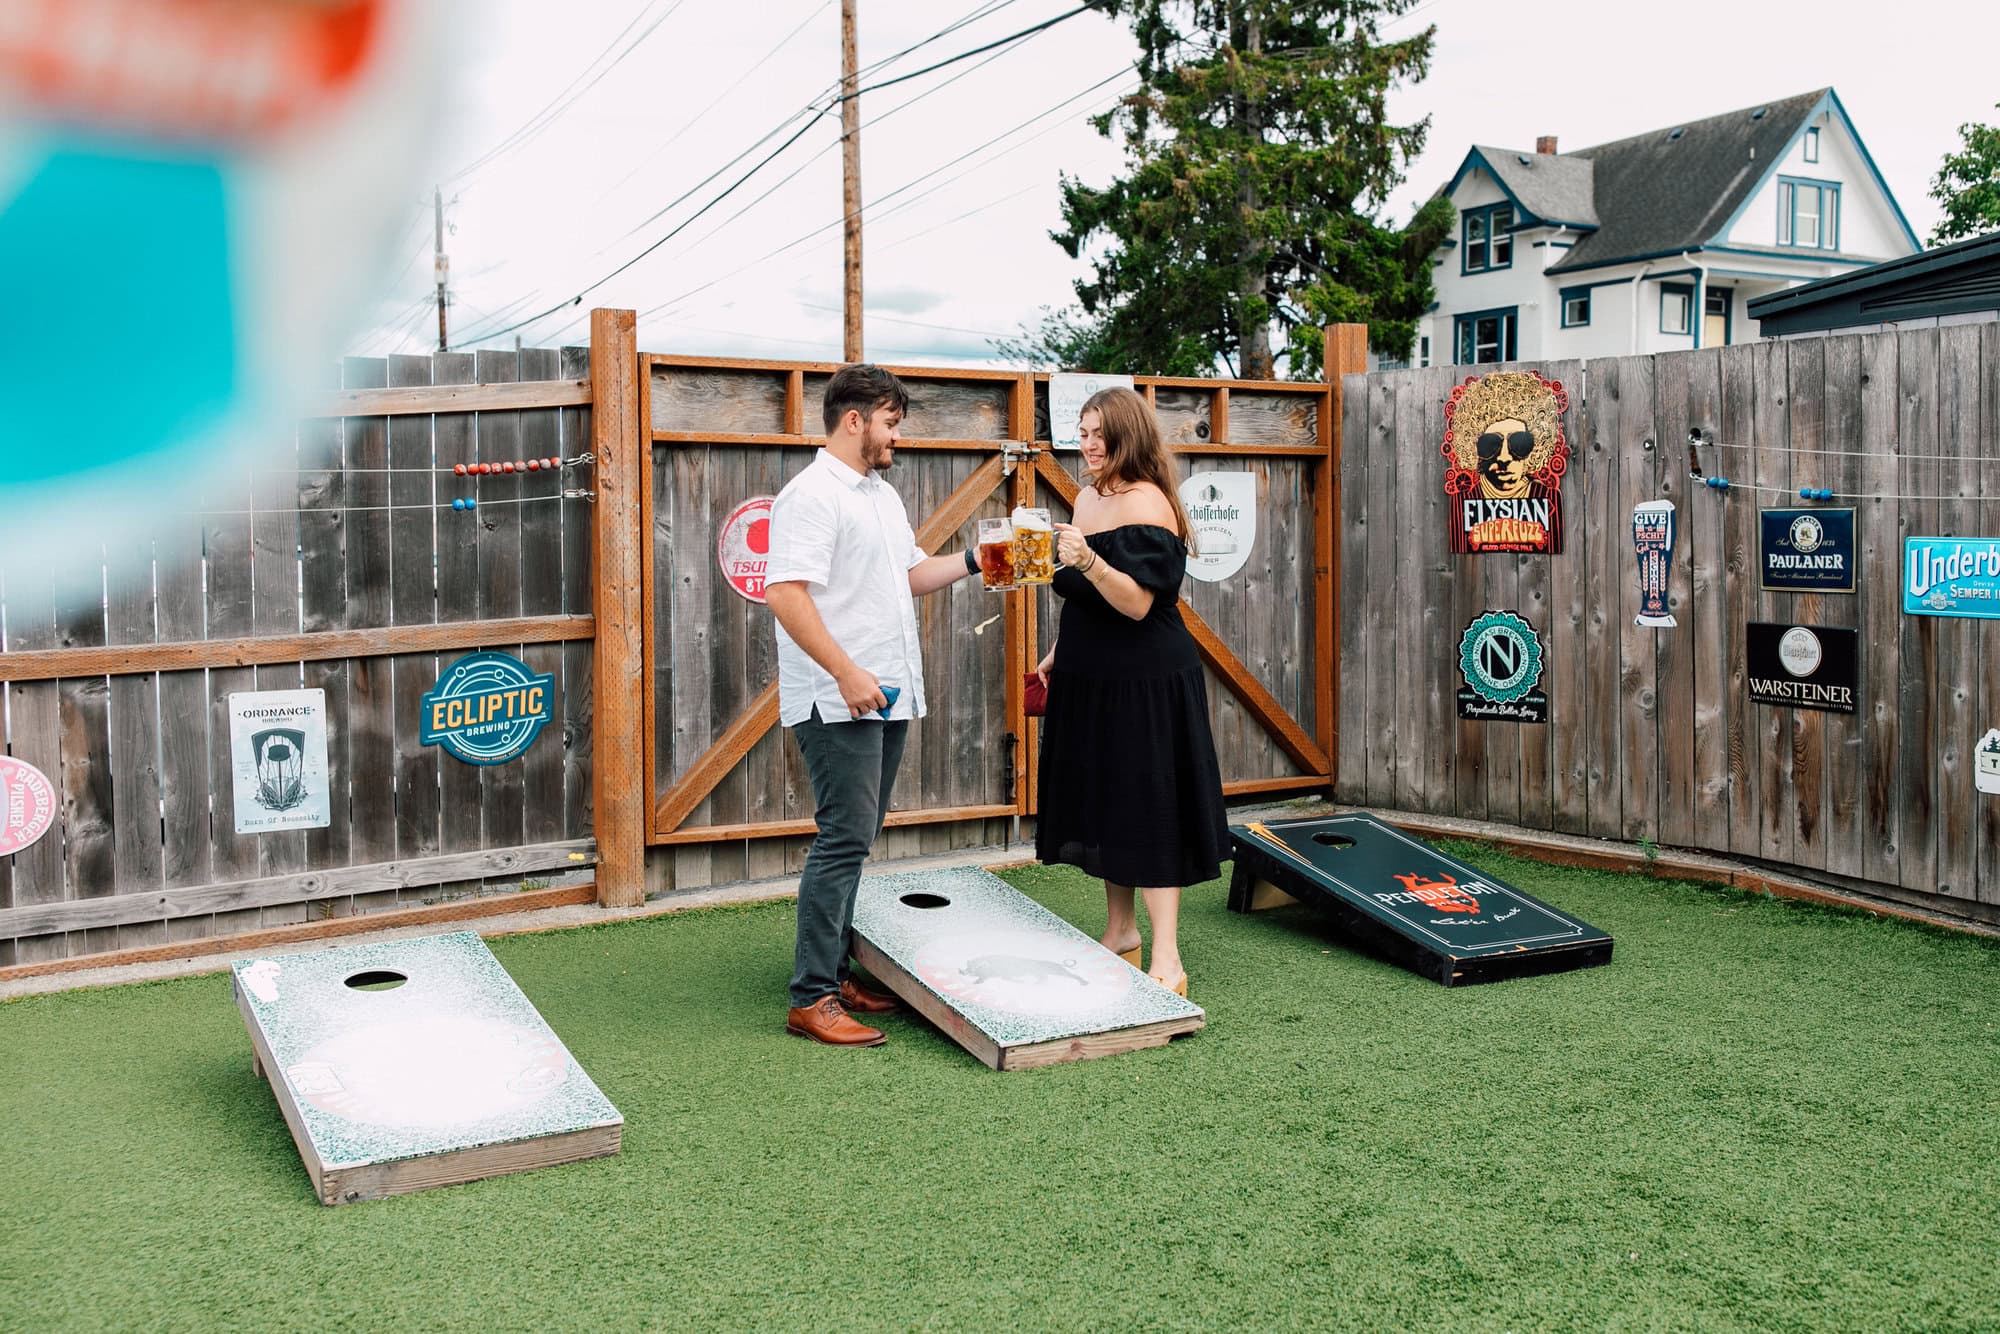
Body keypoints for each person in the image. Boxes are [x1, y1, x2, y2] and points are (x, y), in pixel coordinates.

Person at [763, 364, 981, 1047]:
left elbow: (910, 575)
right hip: (839, 699)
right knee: (842, 840)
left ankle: (838, 972)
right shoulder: (811, 496)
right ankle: (812, 998)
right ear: (853, 420)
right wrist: (845, 671)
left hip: (887, 694)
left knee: (857, 840)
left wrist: (980, 559)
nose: (897, 436)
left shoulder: (879, 494)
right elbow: (785, 593)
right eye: (890, 423)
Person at [1034, 386, 1228, 997]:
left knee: (1149, 807)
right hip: (1090, 673)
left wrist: (1085, 559)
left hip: (1145, 678)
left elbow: (1138, 603)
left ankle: (1167, 957)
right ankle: (1120, 932)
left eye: (1099, 434)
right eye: (1082, 432)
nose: (1088, 445)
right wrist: (1058, 653)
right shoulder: (1087, 497)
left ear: (1129, 437)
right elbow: (1091, 602)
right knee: (1104, 799)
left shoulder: (1147, 502)